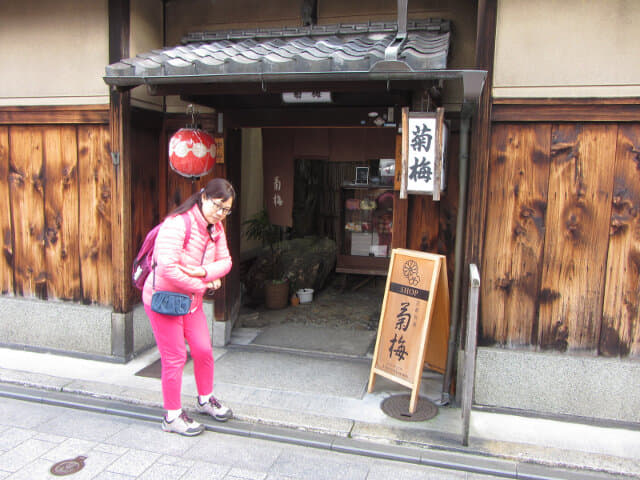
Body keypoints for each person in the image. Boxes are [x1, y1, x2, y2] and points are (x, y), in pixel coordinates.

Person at [142, 178, 235, 436]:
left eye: (226, 210)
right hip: (165, 300)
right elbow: (168, 267)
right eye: (218, 206)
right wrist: (204, 283)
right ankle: (171, 417)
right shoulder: (177, 223)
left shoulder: (216, 228)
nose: (221, 213)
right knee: (175, 357)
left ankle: (205, 400)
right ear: (204, 197)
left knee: (204, 350)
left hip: (190, 300)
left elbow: (226, 261)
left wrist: (203, 271)